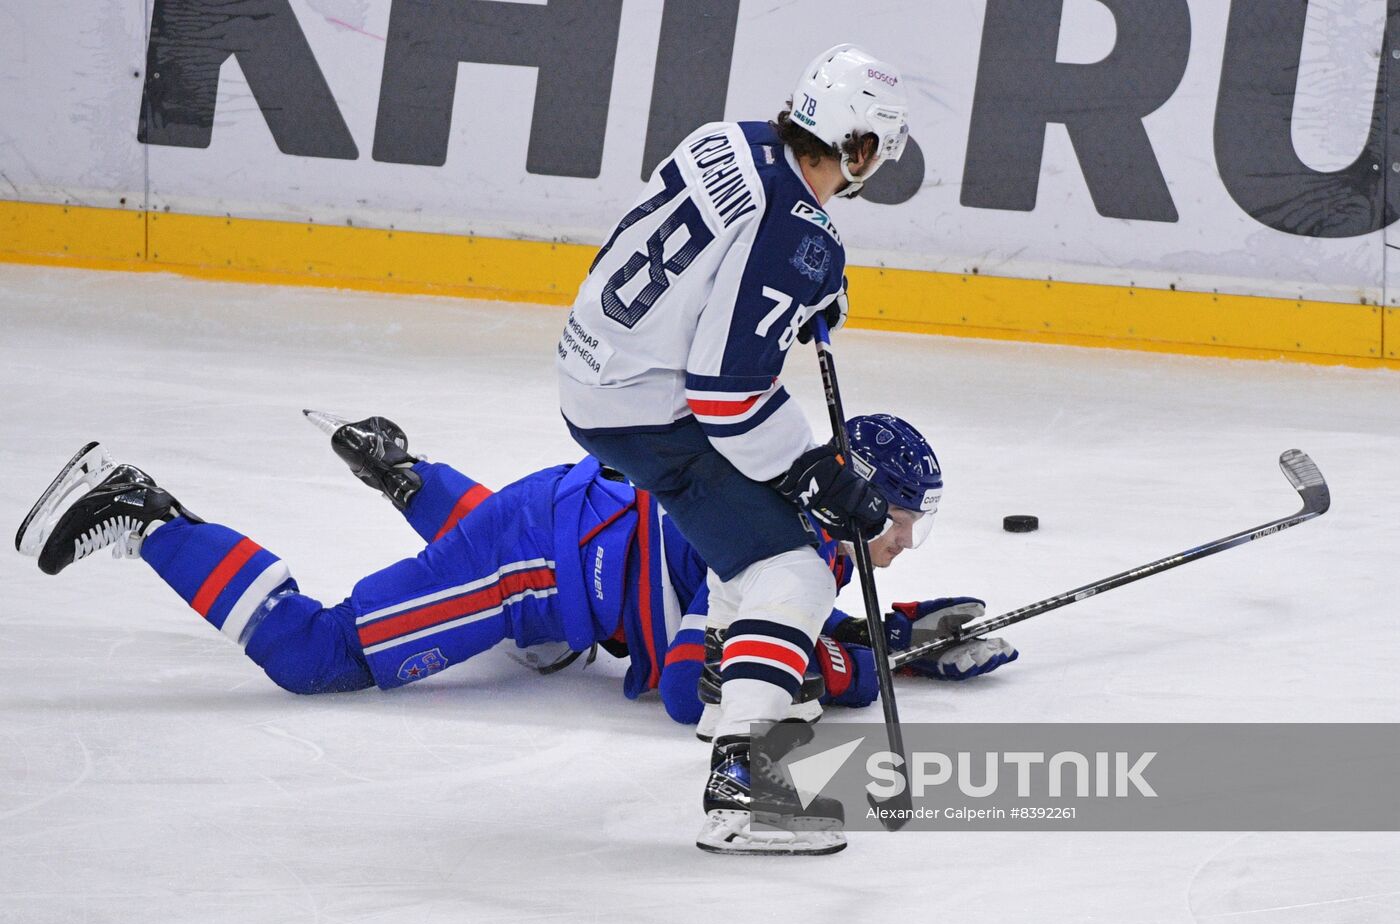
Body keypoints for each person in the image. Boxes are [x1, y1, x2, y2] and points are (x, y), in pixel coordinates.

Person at [15, 412, 1014, 721]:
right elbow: (685, 685)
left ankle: (405, 474)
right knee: (312, 652)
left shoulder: (806, 521)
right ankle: (145, 513)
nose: (904, 542)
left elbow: (760, 619)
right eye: (900, 522)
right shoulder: (762, 541)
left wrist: (900, 628)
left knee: (501, 548)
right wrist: (853, 669)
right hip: (532, 564)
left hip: (567, 528)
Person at [556, 43, 917, 851]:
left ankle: (730, 682)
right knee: (790, 561)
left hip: (590, 365)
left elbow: (701, 268)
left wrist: (796, 290)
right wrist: (815, 470)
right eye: (874, 156)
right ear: (859, 148)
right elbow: (725, 394)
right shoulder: (803, 234)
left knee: (753, 523)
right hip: (646, 407)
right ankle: (744, 779)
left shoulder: (727, 138)